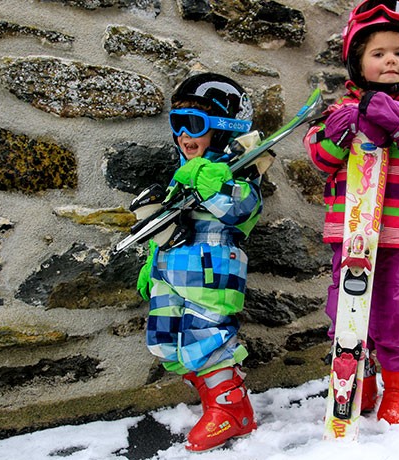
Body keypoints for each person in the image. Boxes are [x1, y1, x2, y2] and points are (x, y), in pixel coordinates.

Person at [304, 0, 399, 425]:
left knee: (393, 309)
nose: (390, 59)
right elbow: (320, 157)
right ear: (358, 62)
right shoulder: (341, 111)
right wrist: (341, 127)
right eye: (378, 53)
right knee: (346, 311)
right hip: (352, 232)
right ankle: (359, 377)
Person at [133, 72, 261, 452]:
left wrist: (214, 183)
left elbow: (244, 210)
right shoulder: (182, 175)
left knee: (205, 336)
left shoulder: (235, 176)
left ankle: (232, 409)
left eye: (197, 125)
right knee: (167, 338)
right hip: (171, 273)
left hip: (210, 273)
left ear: (223, 130)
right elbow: (168, 223)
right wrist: (152, 258)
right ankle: (210, 398)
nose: (185, 136)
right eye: (178, 124)